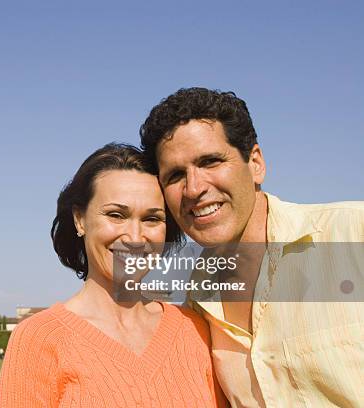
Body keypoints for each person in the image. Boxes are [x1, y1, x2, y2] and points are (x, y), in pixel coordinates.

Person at [140, 87, 364, 407]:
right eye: (176, 175)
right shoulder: (198, 297)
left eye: (211, 161)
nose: (194, 188)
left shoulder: (353, 233)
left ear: (256, 163)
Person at [0, 143, 226, 407]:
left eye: (152, 219)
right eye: (116, 215)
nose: (135, 237)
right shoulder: (39, 339)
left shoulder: (195, 329)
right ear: (80, 219)